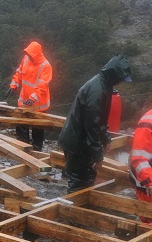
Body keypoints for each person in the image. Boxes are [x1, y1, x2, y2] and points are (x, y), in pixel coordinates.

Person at [57, 55, 133, 193]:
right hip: (77, 143)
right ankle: (73, 211)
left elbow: (100, 119)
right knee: (80, 181)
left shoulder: (103, 84)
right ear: (115, 75)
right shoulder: (98, 89)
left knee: (85, 178)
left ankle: (79, 208)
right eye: (121, 79)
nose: (121, 82)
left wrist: (105, 137)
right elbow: (92, 124)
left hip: (79, 140)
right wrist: (98, 155)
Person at [6, 40, 52, 152]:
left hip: (39, 105)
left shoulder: (45, 66)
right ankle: (23, 149)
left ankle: (36, 151)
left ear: (36, 54)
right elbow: (19, 73)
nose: (29, 56)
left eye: (31, 54)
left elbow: (42, 85)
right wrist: (13, 86)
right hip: (24, 101)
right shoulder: (26, 59)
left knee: (37, 127)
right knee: (21, 124)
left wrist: (33, 98)